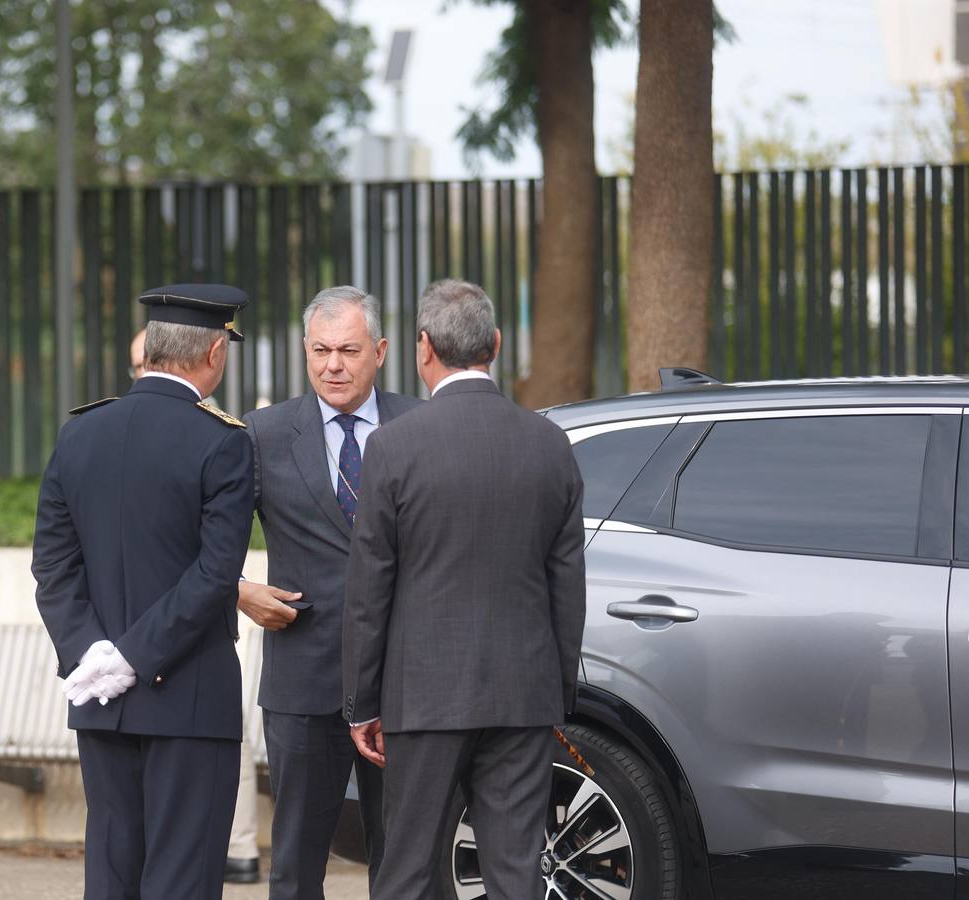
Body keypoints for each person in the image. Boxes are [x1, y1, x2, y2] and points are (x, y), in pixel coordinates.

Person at [341, 279, 587, 899]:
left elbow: (370, 588)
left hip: (420, 697)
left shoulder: (392, 448)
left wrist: (362, 703)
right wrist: (553, 692)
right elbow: (567, 583)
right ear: (496, 345)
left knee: (407, 870)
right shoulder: (550, 444)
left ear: (423, 348)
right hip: (522, 694)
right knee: (515, 871)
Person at [33, 283, 254, 900]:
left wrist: (95, 655)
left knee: (111, 872)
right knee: (181, 878)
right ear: (214, 353)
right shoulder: (223, 441)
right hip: (188, 698)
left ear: (151, 349)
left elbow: (52, 566)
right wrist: (134, 659)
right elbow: (214, 576)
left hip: (100, 698)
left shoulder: (79, 434)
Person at [240, 286, 422, 899]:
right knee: (295, 864)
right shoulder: (263, 432)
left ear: (381, 351)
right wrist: (240, 591)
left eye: (348, 349)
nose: (333, 365)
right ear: (305, 350)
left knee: (404, 863)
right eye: (320, 350)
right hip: (302, 676)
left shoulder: (420, 425)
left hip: (404, 679)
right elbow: (205, 536)